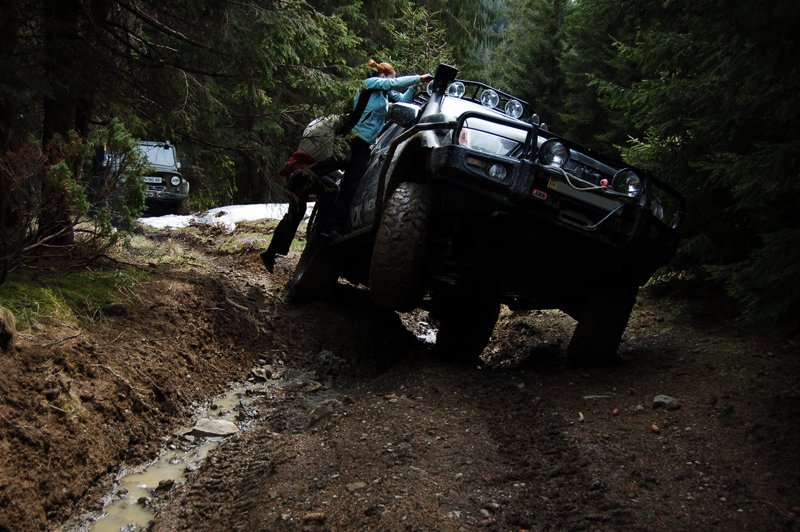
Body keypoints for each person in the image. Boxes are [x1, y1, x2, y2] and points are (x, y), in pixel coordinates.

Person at [322, 59, 433, 239]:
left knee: (350, 186)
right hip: (352, 138)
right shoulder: (371, 83)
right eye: (391, 78)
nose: (392, 83)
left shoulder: (384, 94)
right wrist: (418, 77)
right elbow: (393, 83)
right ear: (383, 76)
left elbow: (403, 100)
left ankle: (332, 228)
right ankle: (303, 173)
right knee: (333, 163)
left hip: (365, 144)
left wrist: (415, 87)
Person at [259, 115, 341, 272]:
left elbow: (322, 160)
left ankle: (270, 253)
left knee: (295, 213)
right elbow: (327, 160)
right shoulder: (331, 125)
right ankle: (321, 230)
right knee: (332, 189)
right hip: (302, 170)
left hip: (298, 170)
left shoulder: (319, 124)